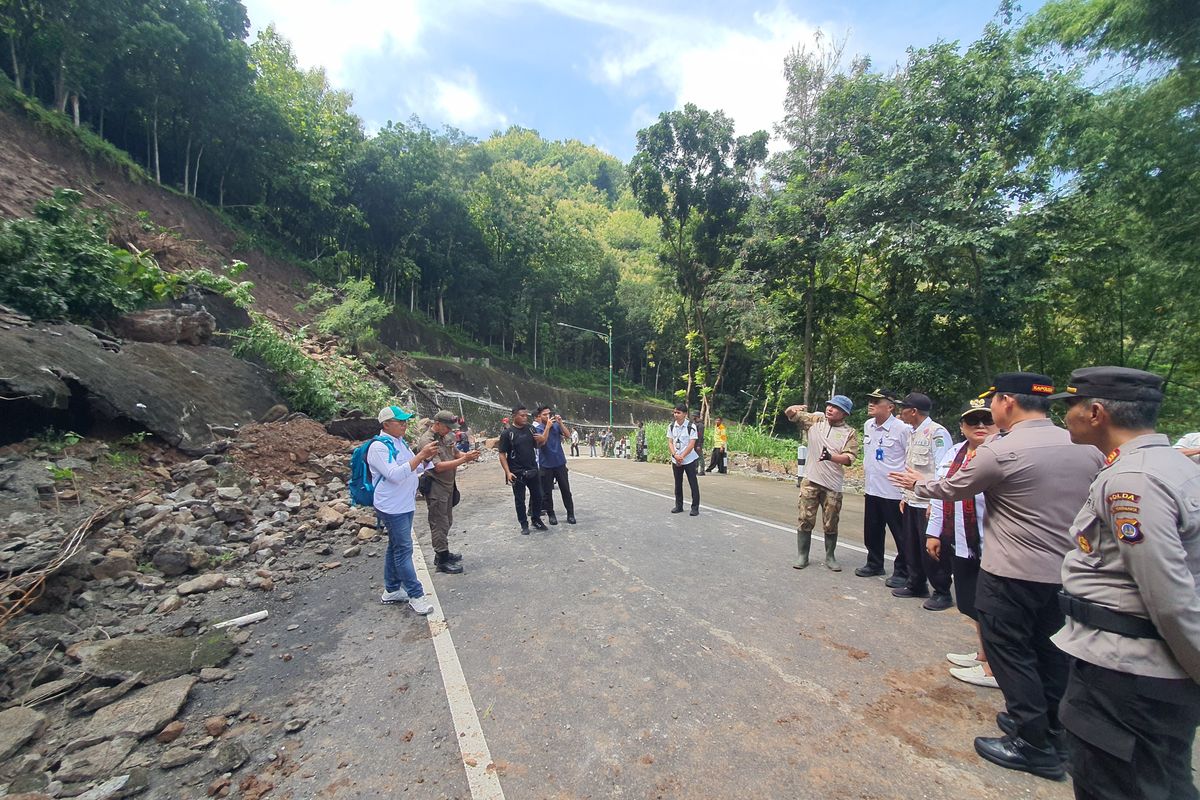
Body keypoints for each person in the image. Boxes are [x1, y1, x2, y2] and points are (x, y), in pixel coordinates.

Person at [890, 372, 1105, 781]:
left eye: (993, 402)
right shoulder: (1082, 446)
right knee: (1051, 651)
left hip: (1011, 571)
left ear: (1007, 401)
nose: (990, 409)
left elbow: (954, 488)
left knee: (1010, 653)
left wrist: (920, 482)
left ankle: (1030, 742)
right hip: (1065, 574)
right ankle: (1054, 731)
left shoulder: (1001, 449)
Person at [1051, 367, 1200, 800]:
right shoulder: (1169, 463)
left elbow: (1169, 595)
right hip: (1138, 671)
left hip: (1128, 677)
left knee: (1119, 784)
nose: (1067, 417)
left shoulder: (1133, 481)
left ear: (1095, 412)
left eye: (1071, 406)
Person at [931, 399, 999, 688]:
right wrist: (933, 532)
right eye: (974, 422)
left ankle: (995, 668)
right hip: (961, 539)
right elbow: (939, 492)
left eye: (987, 420)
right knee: (972, 603)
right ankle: (984, 654)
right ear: (962, 427)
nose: (980, 426)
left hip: (994, 544)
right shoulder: (954, 453)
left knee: (993, 607)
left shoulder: (1001, 453)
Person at [370, 405, 440, 615]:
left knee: (396, 546)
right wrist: (420, 456)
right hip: (392, 506)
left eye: (405, 421)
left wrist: (425, 458)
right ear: (386, 424)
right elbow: (395, 474)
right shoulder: (379, 447)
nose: (404, 424)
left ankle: (391, 590)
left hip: (404, 503)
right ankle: (416, 594)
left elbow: (416, 469)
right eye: (399, 421)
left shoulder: (399, 443)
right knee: (403, 551)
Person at [784, 396, 859, 571]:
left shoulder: (849, 433)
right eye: (829, 405)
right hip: (811, 480)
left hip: (832, 484)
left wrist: (831, 457)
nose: (830, 409)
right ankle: (803, 556)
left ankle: (830, 556)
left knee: (831, 522)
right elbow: (792, 416)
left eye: (836, 407)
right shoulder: (815, 420)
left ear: (844, 413)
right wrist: (790, 408)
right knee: (805, 518)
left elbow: (849, 458)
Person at [893, 392, 953, 609]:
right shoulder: (912, 432)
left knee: (932, 550)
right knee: (911, 545)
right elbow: (911, 468)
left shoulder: (937, 433)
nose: (900, 412)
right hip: (912, 498)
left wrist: (934, 503)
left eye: (903, 408)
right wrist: (904, 495)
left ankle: (942, 591)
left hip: (929, 501)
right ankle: (916, 583)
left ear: (914, 411)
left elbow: (942, 470)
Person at [855, 389, 911, 585]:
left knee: (901, 535)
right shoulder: (868, 425)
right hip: (872, 489)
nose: (871, 404)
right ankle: (874, 563)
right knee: (872, 530)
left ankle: (903, 571)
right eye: (870, 400)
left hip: (894, 492)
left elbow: (910, 459)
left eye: (877, 401)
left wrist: (907, 491)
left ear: (890, 406)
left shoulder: (902, 429)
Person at [415, 410, 481, 574]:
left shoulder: (448, 436)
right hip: (436, 485)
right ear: (437, 424)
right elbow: (437, 467)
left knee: (447, 520)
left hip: (449, 484)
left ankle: (443, 552)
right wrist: (463, 460)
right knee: (439, 522)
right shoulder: (427, 442)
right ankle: (442, 560)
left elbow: (455, 453)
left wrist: (468, 455)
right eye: (447, 427)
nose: (450, 431)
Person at [497, 405, 547, 535]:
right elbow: (502, 454)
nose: (525, 418)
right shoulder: (507, 433)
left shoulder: (531, 429)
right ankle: (523, 524)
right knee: (520, 499)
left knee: (538, 496)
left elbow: (537, 445)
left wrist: (543, 438)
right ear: (514, 416)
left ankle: (536, 519)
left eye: (526, 415)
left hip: (532, 469)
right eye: (522, 415)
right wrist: (508, 472)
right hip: (516, 472)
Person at [532, 406, 576, 525]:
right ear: (539, 416)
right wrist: (547, 427)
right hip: (546, 464)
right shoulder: (537, 429)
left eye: (549, 414)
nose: (547, 416)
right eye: (544, 414)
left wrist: (560, 423)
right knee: (547, 492)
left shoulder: (556, 425)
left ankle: (570, 513)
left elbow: (568, 435)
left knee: (566, 490)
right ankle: (551, 514)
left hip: (559, 462)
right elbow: (541, 442)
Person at [667, 405, 700, 515]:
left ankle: (695, 507)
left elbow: (691, 444)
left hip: (689, 459)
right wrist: (675, 455)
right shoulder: (671, 426)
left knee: (693, 483)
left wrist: (682, 456)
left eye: (678, 412)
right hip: (676, 459)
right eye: (675, 412)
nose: (676, 414)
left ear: (685, 414)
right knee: (678, 483)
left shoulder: (691, 426)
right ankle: (679, 506)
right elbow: (670, 442)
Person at [692, 413, 706, 477]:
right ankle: (695, 469)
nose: (692, 417)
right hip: (694, 442)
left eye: (693, 416)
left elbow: (700, 436)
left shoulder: (700, 425)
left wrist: (699, 445)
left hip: (698, 443)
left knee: (700, 457)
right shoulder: (695, 424)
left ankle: (702, 470)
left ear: (696, 416)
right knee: (695, 457)